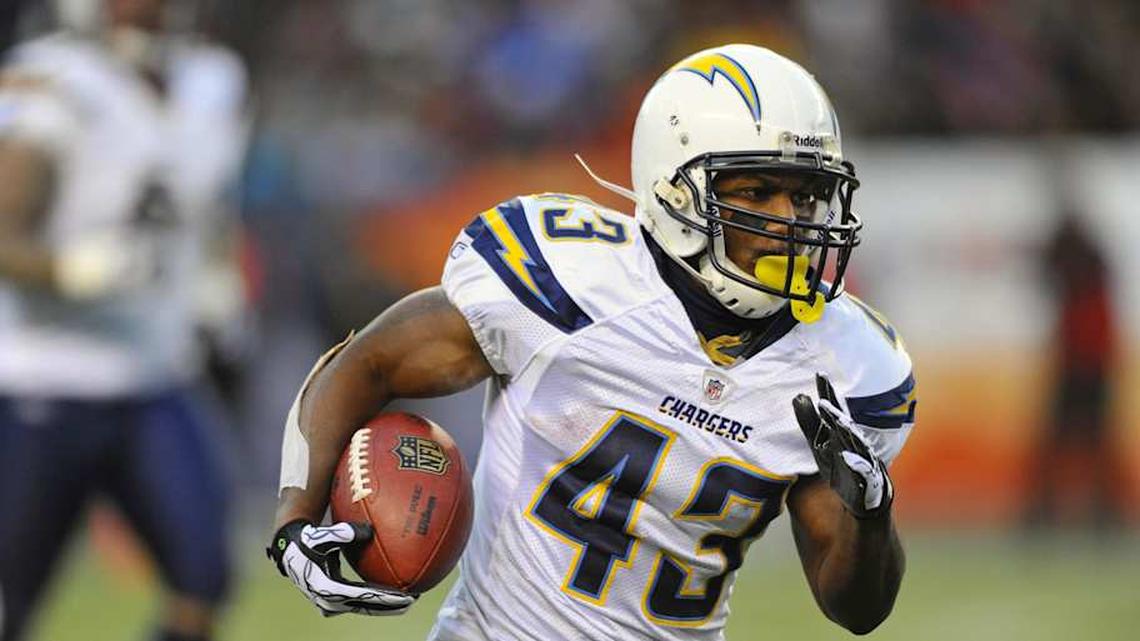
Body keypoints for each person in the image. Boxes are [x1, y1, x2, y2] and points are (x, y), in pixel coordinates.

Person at [269, 44, 917, 639]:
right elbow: (370, 363)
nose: (788, 220)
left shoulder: (845, 364)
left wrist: (871, 513)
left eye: (806, 195)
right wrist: (294, 519)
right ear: (674, 190)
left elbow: (855, 609)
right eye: (758, 190)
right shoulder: (571, 280)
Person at [0, 1, 248, 640]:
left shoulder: (212, 79)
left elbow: (203, 208)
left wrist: (214, 279)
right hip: (40, 378)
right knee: (9, 604)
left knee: (205, 578)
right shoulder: (49, 78)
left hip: (153, 374)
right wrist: (71, 270)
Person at [1023, 207, 1121, 530]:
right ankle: (1095, 508)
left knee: (1079, 440)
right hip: (1086, 361)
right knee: (1085, 440)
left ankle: (1094, 508)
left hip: (1086, 362)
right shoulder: (1091, 267)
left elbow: (1046, 272)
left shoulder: (1084, 269)